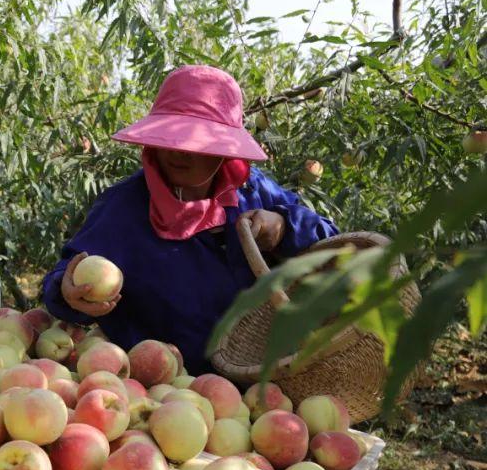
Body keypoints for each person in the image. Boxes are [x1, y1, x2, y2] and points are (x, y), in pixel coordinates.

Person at [42, 65, 339, 376]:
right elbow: (67, 275)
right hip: (168, 393)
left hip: (265, 383)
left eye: (196, 143)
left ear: (225, 151)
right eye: (171, 136)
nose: (179, 152)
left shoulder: (253, 191)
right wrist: (66, 291)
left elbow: (332, 243)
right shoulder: (124, 208)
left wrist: (284, 225)